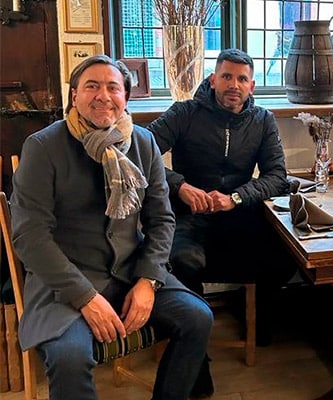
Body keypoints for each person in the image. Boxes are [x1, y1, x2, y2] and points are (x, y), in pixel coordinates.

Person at [10, 55, 214, 400]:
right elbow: (30, 236)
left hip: (131, 271)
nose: (103, 95)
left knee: (198, 318)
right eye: (92, 86)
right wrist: (85, 296)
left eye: (113, 88)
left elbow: (162, 219)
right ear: (74, 95)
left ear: (125, 97)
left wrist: (148, 280)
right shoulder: (43, 146)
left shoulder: (143, 142)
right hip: (65, 281)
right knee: (69, 357)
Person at [147, 49, 295, 346]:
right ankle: (193, 343)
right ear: (213, 80)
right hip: (189, 215)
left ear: (252, 86)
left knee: (287, 257)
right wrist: (180, 186)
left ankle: (251, 312)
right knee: (181, 262)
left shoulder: (263, 120)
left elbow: (277, 176)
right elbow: (140, 154)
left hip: (239, 215)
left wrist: (236, 198)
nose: (234, 85)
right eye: (227, 76)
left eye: (242, 79)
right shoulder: (183, 113)